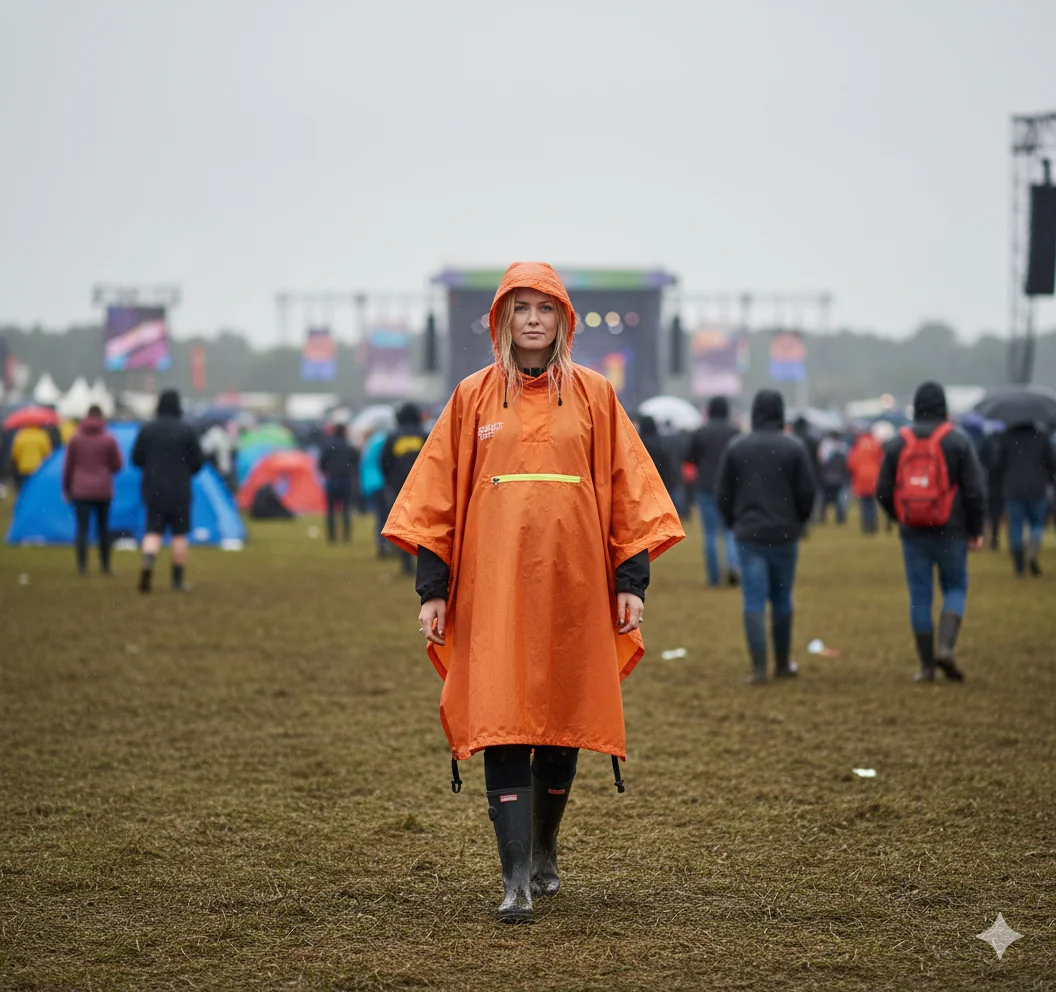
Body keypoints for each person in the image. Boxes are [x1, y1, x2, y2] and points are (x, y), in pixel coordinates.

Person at [382, 262, 683, 923]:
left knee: (561, 720)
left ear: (564, 319)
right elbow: (436, 499)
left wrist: (631, 582)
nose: (534, 320)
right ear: (502, 320)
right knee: (502, 719)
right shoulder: (472, 398)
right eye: (521, 308)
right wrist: (432, 589)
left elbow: (631, 493)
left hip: (576, 590)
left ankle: (544, 849)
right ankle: (514, 877)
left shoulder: (598, 396)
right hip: (493, 595)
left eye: (545, 308)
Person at [876, 382, 986, 682]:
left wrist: (899, 516)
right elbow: (975, 490)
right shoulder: (958, 441)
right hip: (951, 530)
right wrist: (975, 529)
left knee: (919, 596)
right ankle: (946, 647)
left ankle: (926, 667)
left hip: (913, 531)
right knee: (954, 587)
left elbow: (882, 489)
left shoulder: (898, 443)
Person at [716, 390, 816, 683]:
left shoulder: (737, 447)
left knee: (754, 600)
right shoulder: (794, 447)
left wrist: (735, 521)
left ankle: (759, 667)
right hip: (784, 533)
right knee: (782, 599)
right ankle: (783, 663)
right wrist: (798, 521)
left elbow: (723, 494)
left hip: (749, 534)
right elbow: (807, 492)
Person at [131, 390, 205, 593]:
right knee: (179, 535)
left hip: (153, 488)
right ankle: (177, 580)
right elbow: (198, 462)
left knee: (153, 531)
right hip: (180, 489)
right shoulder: (187, 430)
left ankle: (147, 565)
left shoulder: (147, 430)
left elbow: (136, 459)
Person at [62, 404, 123, 575]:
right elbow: (118, 465)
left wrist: (67, 489)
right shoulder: (109, 438)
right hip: (103, 490)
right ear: (101, 417)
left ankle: (82, 566)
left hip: (80, 490)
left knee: (82, 529)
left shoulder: (75, 438)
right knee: (103, 529)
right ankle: (105, 566)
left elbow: (68, 466)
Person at [686, 397, 741, 586]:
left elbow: (690, 458)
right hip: (730, 486)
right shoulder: (735, 432)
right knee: (730, 530)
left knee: (709, 533)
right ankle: (733, 566)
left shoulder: (700, 432)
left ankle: (714, 576)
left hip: (706, 486)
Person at [993, 422, 1056, 577]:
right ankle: (1033, 551)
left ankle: (1019, 564)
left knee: (1015, 525)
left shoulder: (1006, 439)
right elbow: (1051, 464)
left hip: (1013, 488)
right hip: (1037, 488)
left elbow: (998, 466)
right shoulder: (1042, 438)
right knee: (1037, 523)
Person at [381, 403, 427, 575]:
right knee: (423, 526)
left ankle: (405, 562)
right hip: (422, 487)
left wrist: (391, 481)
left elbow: (385, 461)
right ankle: (424, 564)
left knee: (403, 525)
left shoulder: (392, 437)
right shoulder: (424, 435)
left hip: (399, 487)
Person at [319, 423, 359, 545]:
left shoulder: (328, 445)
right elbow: (356, 460)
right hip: (345, 480)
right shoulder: (348, 446)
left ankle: (332, 536)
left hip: (332, 479)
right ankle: (346, 536)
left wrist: (326, 472)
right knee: (346, 509)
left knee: (330, 509)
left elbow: (321, 462)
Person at [637, 415, 680, 508]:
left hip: (643, 483)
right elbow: (668, 463)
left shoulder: (637, 442)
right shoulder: (662, 442)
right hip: (662, 482)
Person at [847, 427, 884, 534]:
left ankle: (866, 526)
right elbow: (881, 460)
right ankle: (873, 525)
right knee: (872, 502)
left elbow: (851, 463)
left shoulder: (857, 445)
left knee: (864, 503)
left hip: (861, 476)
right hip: (874, 476)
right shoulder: (875, 444)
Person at [359, 426, 389, 558]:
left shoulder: (368, 445)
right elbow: (385, 461)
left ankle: (381, 545)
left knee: (380, 516)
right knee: (386, 516)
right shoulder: (382, 440)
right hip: (381, 482)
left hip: (371, 484)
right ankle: (385, 546)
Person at [9, 422, 53, 492]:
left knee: (24, 489)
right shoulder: (42, 435)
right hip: (38, 468)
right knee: (37, 489)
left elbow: (15, 454)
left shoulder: (20, 436)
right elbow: (47, 454)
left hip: (23, 467)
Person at [817, 432, 850, 524]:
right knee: (840, 499)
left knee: (825, 499)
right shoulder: (843, 447)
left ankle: (823, 517)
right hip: (839, 478)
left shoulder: (825, 447)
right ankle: (840, 518)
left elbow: (821, 461)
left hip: (827, 477)